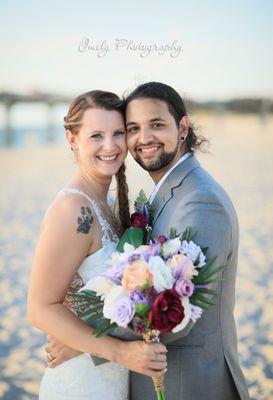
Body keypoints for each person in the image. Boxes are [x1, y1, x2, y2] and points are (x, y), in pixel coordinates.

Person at [43, 82, 250, 399]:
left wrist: (80, 341)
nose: (144, 138)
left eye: (156, 125)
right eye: (133, 128)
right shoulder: (166, 194)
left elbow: (180, 311)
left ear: (182, 128)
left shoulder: (199, 202)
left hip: (187, 384)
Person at [27, 90, 167, 400]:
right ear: (72, 139)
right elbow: (39, 309)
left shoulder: (109, 205)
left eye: (118, 132)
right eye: (96, 135)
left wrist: (79, 342)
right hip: (81, 385)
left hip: (109, 379)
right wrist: (119, 351)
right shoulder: (73, 209)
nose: (110, 145)